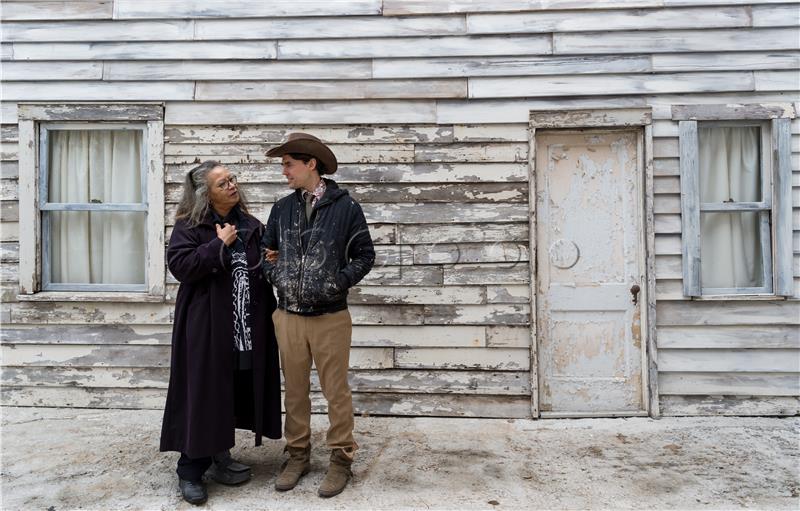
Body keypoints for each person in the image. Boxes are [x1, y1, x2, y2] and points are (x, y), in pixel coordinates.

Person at [160, 160, 282, 505]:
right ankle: (190, 469)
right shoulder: (191, 225)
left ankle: (219, 456)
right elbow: (180, 266)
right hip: (208, 327)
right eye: (222, 183)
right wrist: (218, 245)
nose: (232, 185)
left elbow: (262, 268)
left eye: (232, 179)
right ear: (205, 194)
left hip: (245, 327)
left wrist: (272, 259)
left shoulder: (251, 225)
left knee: (230, 389)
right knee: (204, 392)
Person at [261, 133, 375, 498]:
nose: (284, 172)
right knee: (294, 392)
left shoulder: (346, 207)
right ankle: (297, 455)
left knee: (335, 392)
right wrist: (277, 275)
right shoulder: (281, 208)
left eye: (288, 164)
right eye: (283, 166)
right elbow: (268, 253)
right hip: (288, 315)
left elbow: (364, 255)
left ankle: (341, 459)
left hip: (330, 316)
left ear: (311, 163)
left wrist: (338, 282)